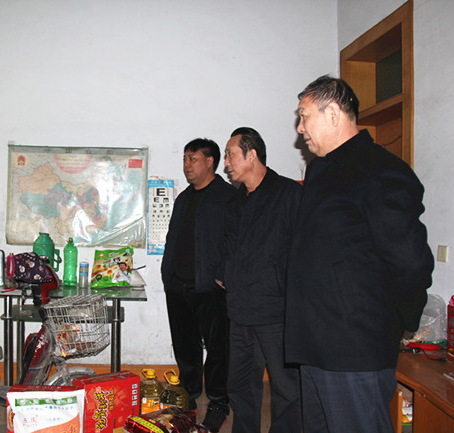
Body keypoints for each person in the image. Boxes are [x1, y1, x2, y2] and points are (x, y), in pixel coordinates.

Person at [285, 75, 434, 433]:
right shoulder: (320, 171)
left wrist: (402, 321)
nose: (300, 128)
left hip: (354, 349)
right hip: (314, 344)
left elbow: (411, 262)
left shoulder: (380, 170)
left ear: (333, 114)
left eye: (304, 116)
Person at [221, 127, 302, 433]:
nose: (226, 163)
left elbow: (305, 250)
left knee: (287, 388)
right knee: (240, 385)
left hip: (277, 312)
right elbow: (229, 247)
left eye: (231, 155)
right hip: (240, 311)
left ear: (251, 155)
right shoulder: (235, 202)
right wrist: (225, 274)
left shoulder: (289, 194)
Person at [161, 138, 235, 431]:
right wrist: (168, 275)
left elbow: (236, 241)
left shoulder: (228, 197)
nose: (187, 165)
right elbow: (173, 237)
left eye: (193, 159)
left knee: (218, 349)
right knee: (185, 347)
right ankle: (187, 398)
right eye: (185, 159)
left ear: (210, 161)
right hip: (178, 285)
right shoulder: (184, 198)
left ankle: (218, 403)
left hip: (210, 288)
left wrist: (222, 276)